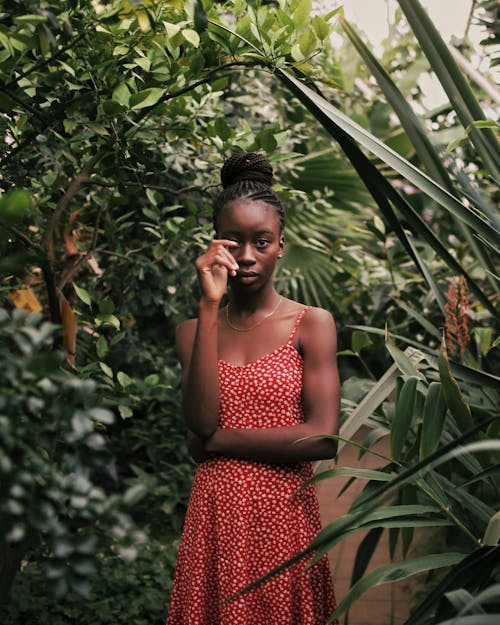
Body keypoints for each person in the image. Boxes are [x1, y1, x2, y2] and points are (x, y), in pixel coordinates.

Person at [166, 152, 340, 625]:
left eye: (261, 242)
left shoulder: (312, 324)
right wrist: (208, 304)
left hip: (284, 520)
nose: (246, 256)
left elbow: (323, 437)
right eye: (234, 241)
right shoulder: (191, 332)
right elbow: (199, 421)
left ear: (281, 245)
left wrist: (217, 442)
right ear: (215, 245)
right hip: (215, 520)